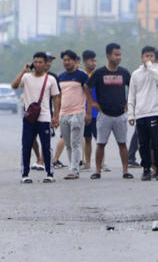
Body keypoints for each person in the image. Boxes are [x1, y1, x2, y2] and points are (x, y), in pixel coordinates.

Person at [11, 52, 61, 183]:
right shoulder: (26, 77)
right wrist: (23, 71)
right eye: (36, 62)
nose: (37, 64)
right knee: (26, 145)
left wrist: (56, 116)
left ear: (45, 64)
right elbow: (14, 85)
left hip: (44, 117)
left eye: (40, 62)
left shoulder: (51, 79)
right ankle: (25, 174)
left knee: (46, 146)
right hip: (29, 118)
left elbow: (56, 97)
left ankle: (50, 173)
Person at [86, 43, 133, 180]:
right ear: (108, 56)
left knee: (122, 143)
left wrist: (129, 102)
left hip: (120, 114)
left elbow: (132, 88)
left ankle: (125, 170)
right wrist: (92, 102)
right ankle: (98, 170)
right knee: (100, 143)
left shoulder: (124, 73)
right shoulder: (99, 73)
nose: (118, 57)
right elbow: (86, 87)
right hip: (104, 114)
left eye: (119, 54)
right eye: (115, 54)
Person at [127, 46, 158, 181]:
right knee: (142, 144)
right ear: (142, 57)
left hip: (154, 112)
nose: (149, 59)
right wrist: (131, 114)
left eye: (151, 56)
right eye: (146, 56)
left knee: (156, 144)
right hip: (141, 113)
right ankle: (146, 169)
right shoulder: (136, 74)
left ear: (154, 58)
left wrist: (150, 67)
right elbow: (132, 95)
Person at [57, 50, 94, 180]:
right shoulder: (60, 77)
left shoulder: (82, 75)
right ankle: (72, 166)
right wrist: (56, 115)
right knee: (68, 143)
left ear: (75, 61)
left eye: (69, 60)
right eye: (64, 60)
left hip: (77, 113)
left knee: (76, 142)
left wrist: (89, 112)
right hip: (63, 114)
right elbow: (58, 97)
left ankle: (74, 169)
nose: (66, 62)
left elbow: (88, 94)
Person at [81, 50, 99, 170]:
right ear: (85, 62)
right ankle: (87, 163)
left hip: (97, 112)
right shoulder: (81, 76)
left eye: (95, 60)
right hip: (84, 111)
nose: (94, 63)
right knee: (87, 139)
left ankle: (101, 163)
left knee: (100, 139)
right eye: (91, 60)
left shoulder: (98, 75)